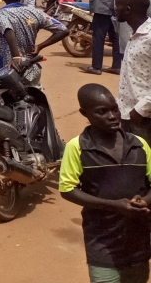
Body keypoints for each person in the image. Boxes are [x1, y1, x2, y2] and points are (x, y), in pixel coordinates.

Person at [60, 84, 151, 283]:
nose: (112, 116)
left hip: (138, 241)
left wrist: (145, 200)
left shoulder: (139, 145)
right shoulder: (77, 148)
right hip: (101, 241)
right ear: (85, 113)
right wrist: (114, 206)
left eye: (115, 108)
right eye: (102, 112)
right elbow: (67, 190)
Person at [0, 0, 68, 69]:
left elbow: (8, 30)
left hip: (10, 68)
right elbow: (64, 30)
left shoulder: (1, 14)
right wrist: (40, 46)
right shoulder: (36, 12)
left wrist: (16, 57)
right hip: (31, 67)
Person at [117, 0, 151, 144]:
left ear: (127, 9)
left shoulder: (149, 37)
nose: (114, 9)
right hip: (128, 114)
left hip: (144, 117)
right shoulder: (135, 34)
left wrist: (140, 110)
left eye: (117, 5)